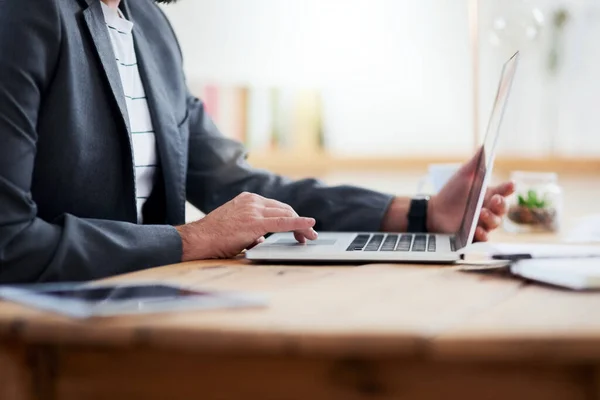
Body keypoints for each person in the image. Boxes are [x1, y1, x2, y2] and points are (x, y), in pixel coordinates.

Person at [0, 0, 514, 283]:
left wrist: (420, 214)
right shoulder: (25, 15)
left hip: (141, 308)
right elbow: (8, 241)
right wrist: (191, 239)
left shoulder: (150, 28)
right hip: (46, 327)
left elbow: (237, 183)